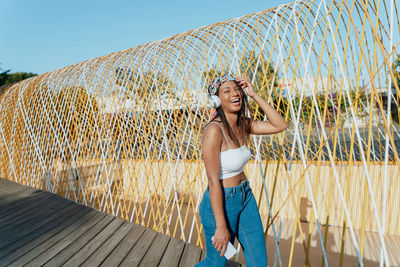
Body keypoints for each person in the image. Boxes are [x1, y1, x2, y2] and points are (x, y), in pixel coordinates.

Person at [195, 75, 288, 266]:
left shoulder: (243, 124)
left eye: (237, 89)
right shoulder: (214, 131)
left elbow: (280, 125)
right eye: (226, 91)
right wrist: (221, 226)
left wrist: (254, 95)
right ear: (216, 100)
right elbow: (213, 182)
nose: (235, 93)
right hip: (222, 201)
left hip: (245, 197)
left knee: (259, 260)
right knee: (216, 263)